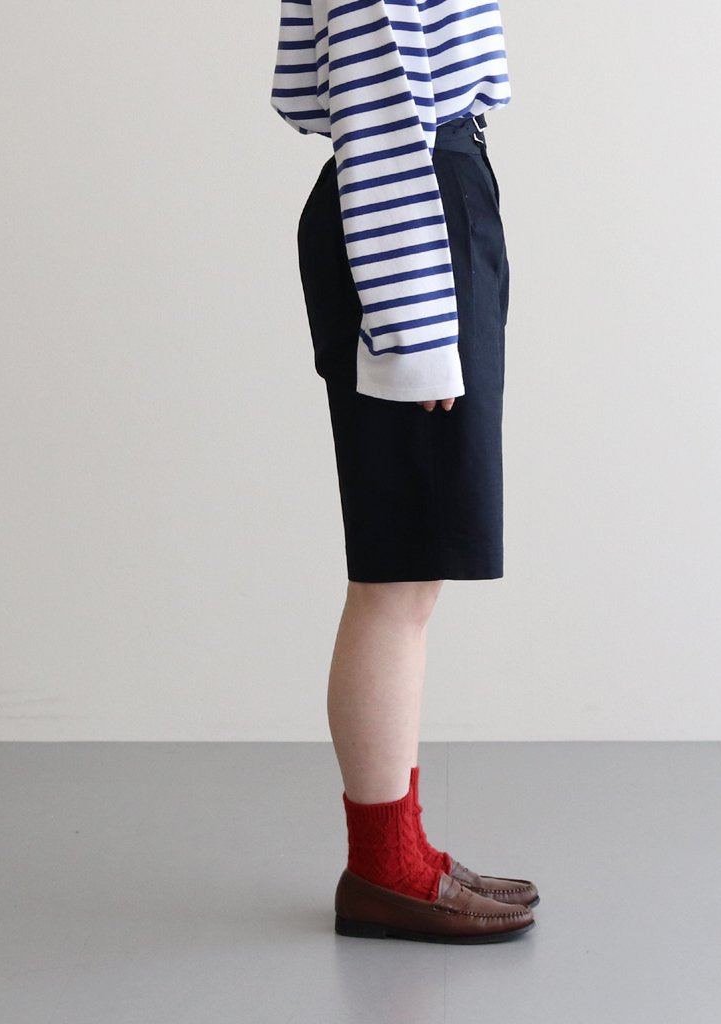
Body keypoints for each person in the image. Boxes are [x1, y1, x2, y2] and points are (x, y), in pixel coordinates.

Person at [270, 0, 537, 943]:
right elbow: (377, 101)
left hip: (427, 200)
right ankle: (384, 869)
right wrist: (417, 331)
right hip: (410, 215)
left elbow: (311, 90)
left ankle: (402, 849)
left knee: (411, 575)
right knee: (398, 575)